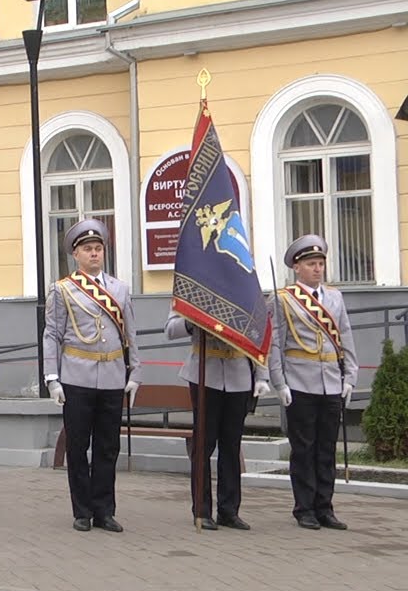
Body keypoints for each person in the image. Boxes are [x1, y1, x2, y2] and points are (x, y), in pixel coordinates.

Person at [43, 219, 141, 533]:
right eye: (88, 249)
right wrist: (52, 378)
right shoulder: (62, 290)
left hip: (112, 375)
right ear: (76, 255)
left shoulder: (119, 288)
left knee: (107, 446)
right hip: (77, 375)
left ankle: (105, 510)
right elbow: (52, 335)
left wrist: (135, 371)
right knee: (78, 445)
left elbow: (130, 334)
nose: (94, 254)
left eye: (98, 248)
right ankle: (82, 511)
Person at [269, 234, 357, 531]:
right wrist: (279, 383)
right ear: (297, 267)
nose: (318, 269)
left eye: (320, 263)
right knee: (303, 448)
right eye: (311, 264)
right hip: (300, 382)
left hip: (331, 381)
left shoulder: (335, 297)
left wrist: (350, 377)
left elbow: (345, 337)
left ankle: (325, 507)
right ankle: (303, 508)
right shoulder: (283, 299)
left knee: (326, 448)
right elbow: (276, 345)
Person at [165, 311, 272, 530]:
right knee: (203, 444)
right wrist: (193, 320)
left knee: (231, 446)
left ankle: (229, 510)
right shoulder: (194, 290)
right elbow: (170, 330)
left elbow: (259, 335)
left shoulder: (244, 289)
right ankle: (202, 510)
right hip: (205, 372)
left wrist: (262, 375)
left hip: (239, 374)